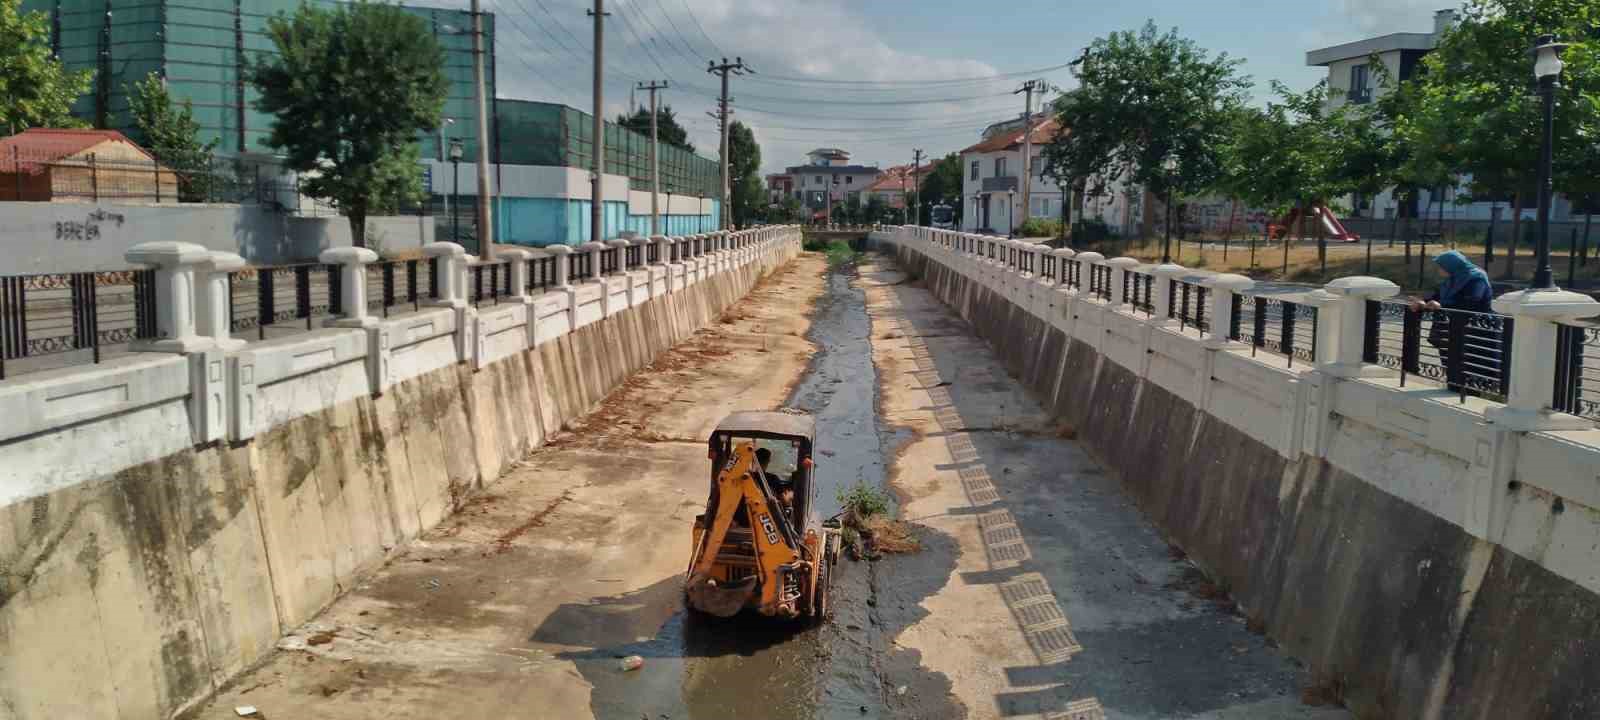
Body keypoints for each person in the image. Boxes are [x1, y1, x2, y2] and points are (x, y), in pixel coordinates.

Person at [1409, 251, 1496, 392]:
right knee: (1452, 365)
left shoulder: (1476, 278)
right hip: (1451, 329)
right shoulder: (1452, 279)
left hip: (1474, 331)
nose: (1439, 270)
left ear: (1451, 265)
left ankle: (1469, 394)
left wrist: (1442, 306)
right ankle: (1454, 388)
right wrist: (1421, 303)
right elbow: (1437, 297)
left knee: (1470, 367)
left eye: (1441, 266)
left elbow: (1472, 301)